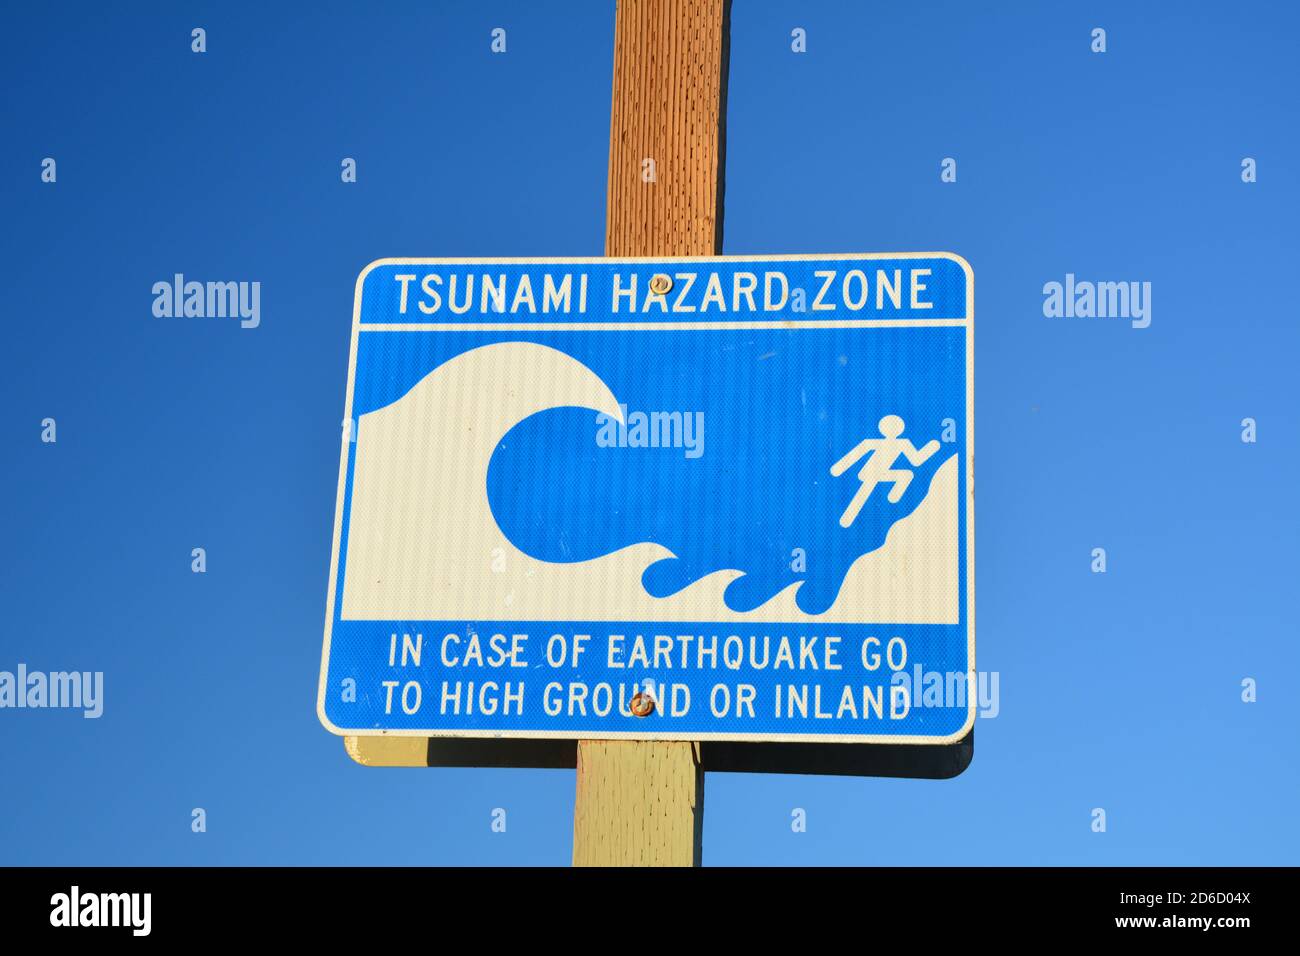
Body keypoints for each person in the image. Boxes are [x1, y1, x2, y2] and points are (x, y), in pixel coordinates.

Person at [830, 414, 940, 528]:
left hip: (882, 473)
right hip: (870, 472)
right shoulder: (873, 442)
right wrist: (839, 468)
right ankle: (847, 520)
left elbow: (916, 460)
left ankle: (893, 497)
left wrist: (931, 448)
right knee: (861, 496)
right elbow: (855, 454)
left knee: (906, 475)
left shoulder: (903, 443)